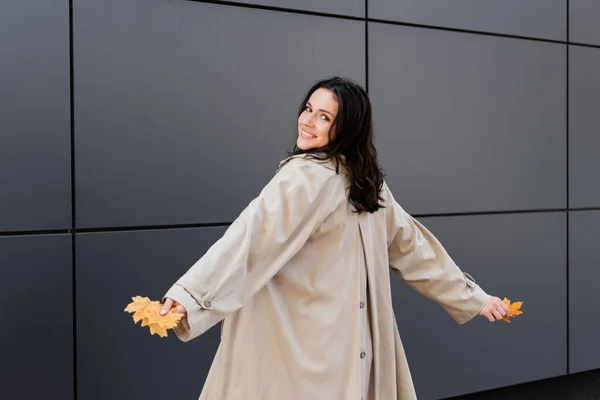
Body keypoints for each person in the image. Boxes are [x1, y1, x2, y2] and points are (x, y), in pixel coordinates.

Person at [160, 76, 509, 400]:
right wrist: (469, 296)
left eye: (324, 117)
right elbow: (250, 238)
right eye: (308, 109)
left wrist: (191, 296)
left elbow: (408, 246)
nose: (308, 121)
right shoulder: (363, 182)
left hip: (302, 350)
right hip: (343, 345)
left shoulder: (319, 179)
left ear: (346, 129)